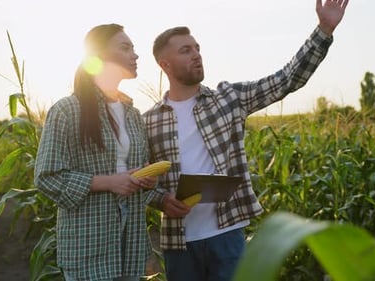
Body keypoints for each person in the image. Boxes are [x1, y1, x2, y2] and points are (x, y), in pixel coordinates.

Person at [143, 1, 349, 280]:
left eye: (197, 48)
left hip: (227, 236)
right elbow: (139, 182)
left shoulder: (229, 99)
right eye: (186, 50)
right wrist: (161, 200)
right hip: (179, 244)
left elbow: (286, 79)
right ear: (164, 64)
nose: (197, 55)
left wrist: (323, 30)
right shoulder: (148, 121)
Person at [34, 23, 155, 281]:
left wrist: (145, 179)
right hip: (89, 244)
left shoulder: (133, 115)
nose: (135, 55)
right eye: (125, 48)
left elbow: (132, 172)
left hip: (129, 241)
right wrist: (110, 182)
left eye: (134, 48)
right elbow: (46, 177)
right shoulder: (67, 111)